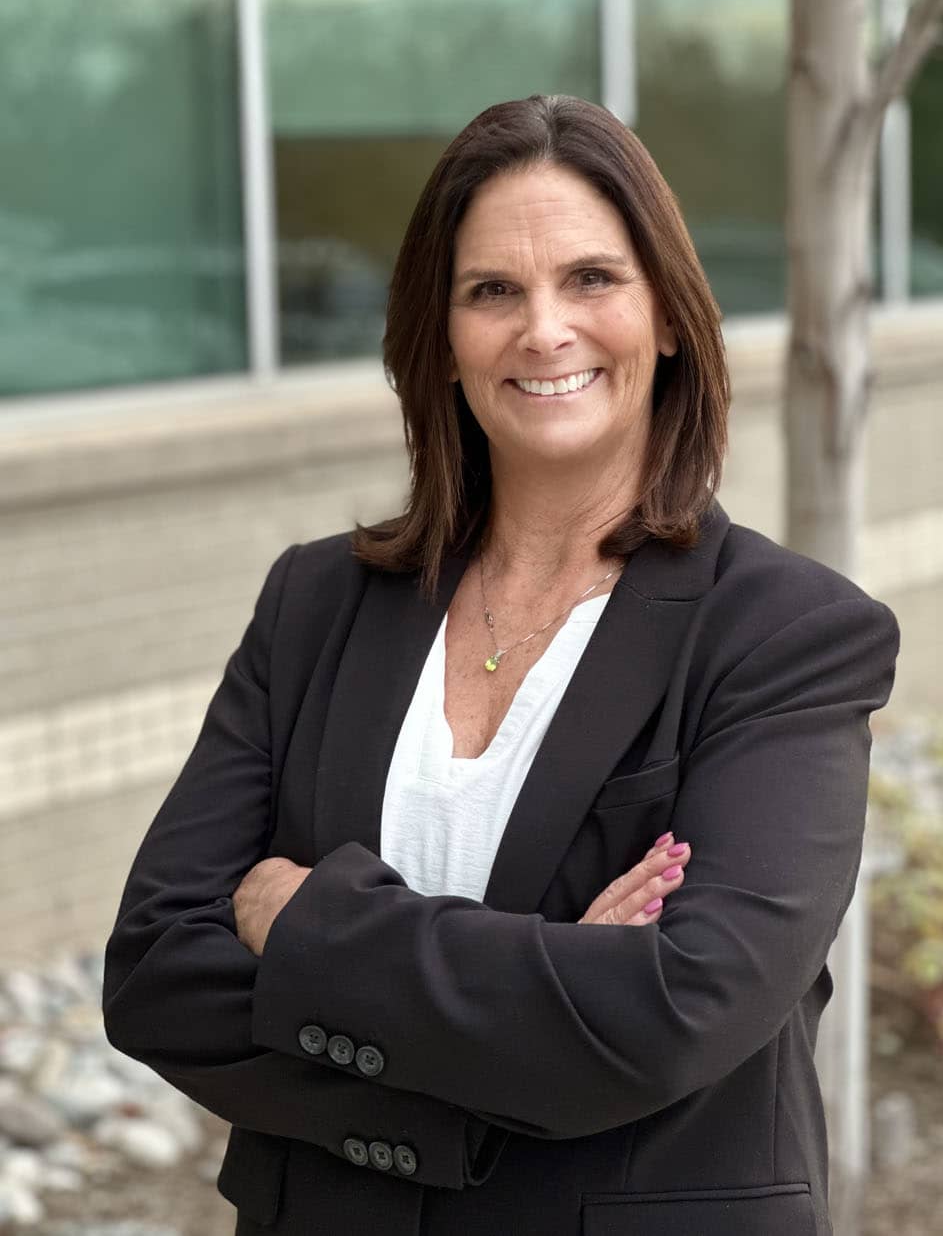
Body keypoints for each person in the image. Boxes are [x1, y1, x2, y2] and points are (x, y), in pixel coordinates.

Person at [102, 93, 901, 1236]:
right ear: (441, 340)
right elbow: (153, 973)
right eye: (492, 291)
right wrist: (543, 997)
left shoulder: (785, 635)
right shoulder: (316, 603)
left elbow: (679, 1006)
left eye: (591, 279)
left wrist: (306, 922)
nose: (544, 330)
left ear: (668, 315)